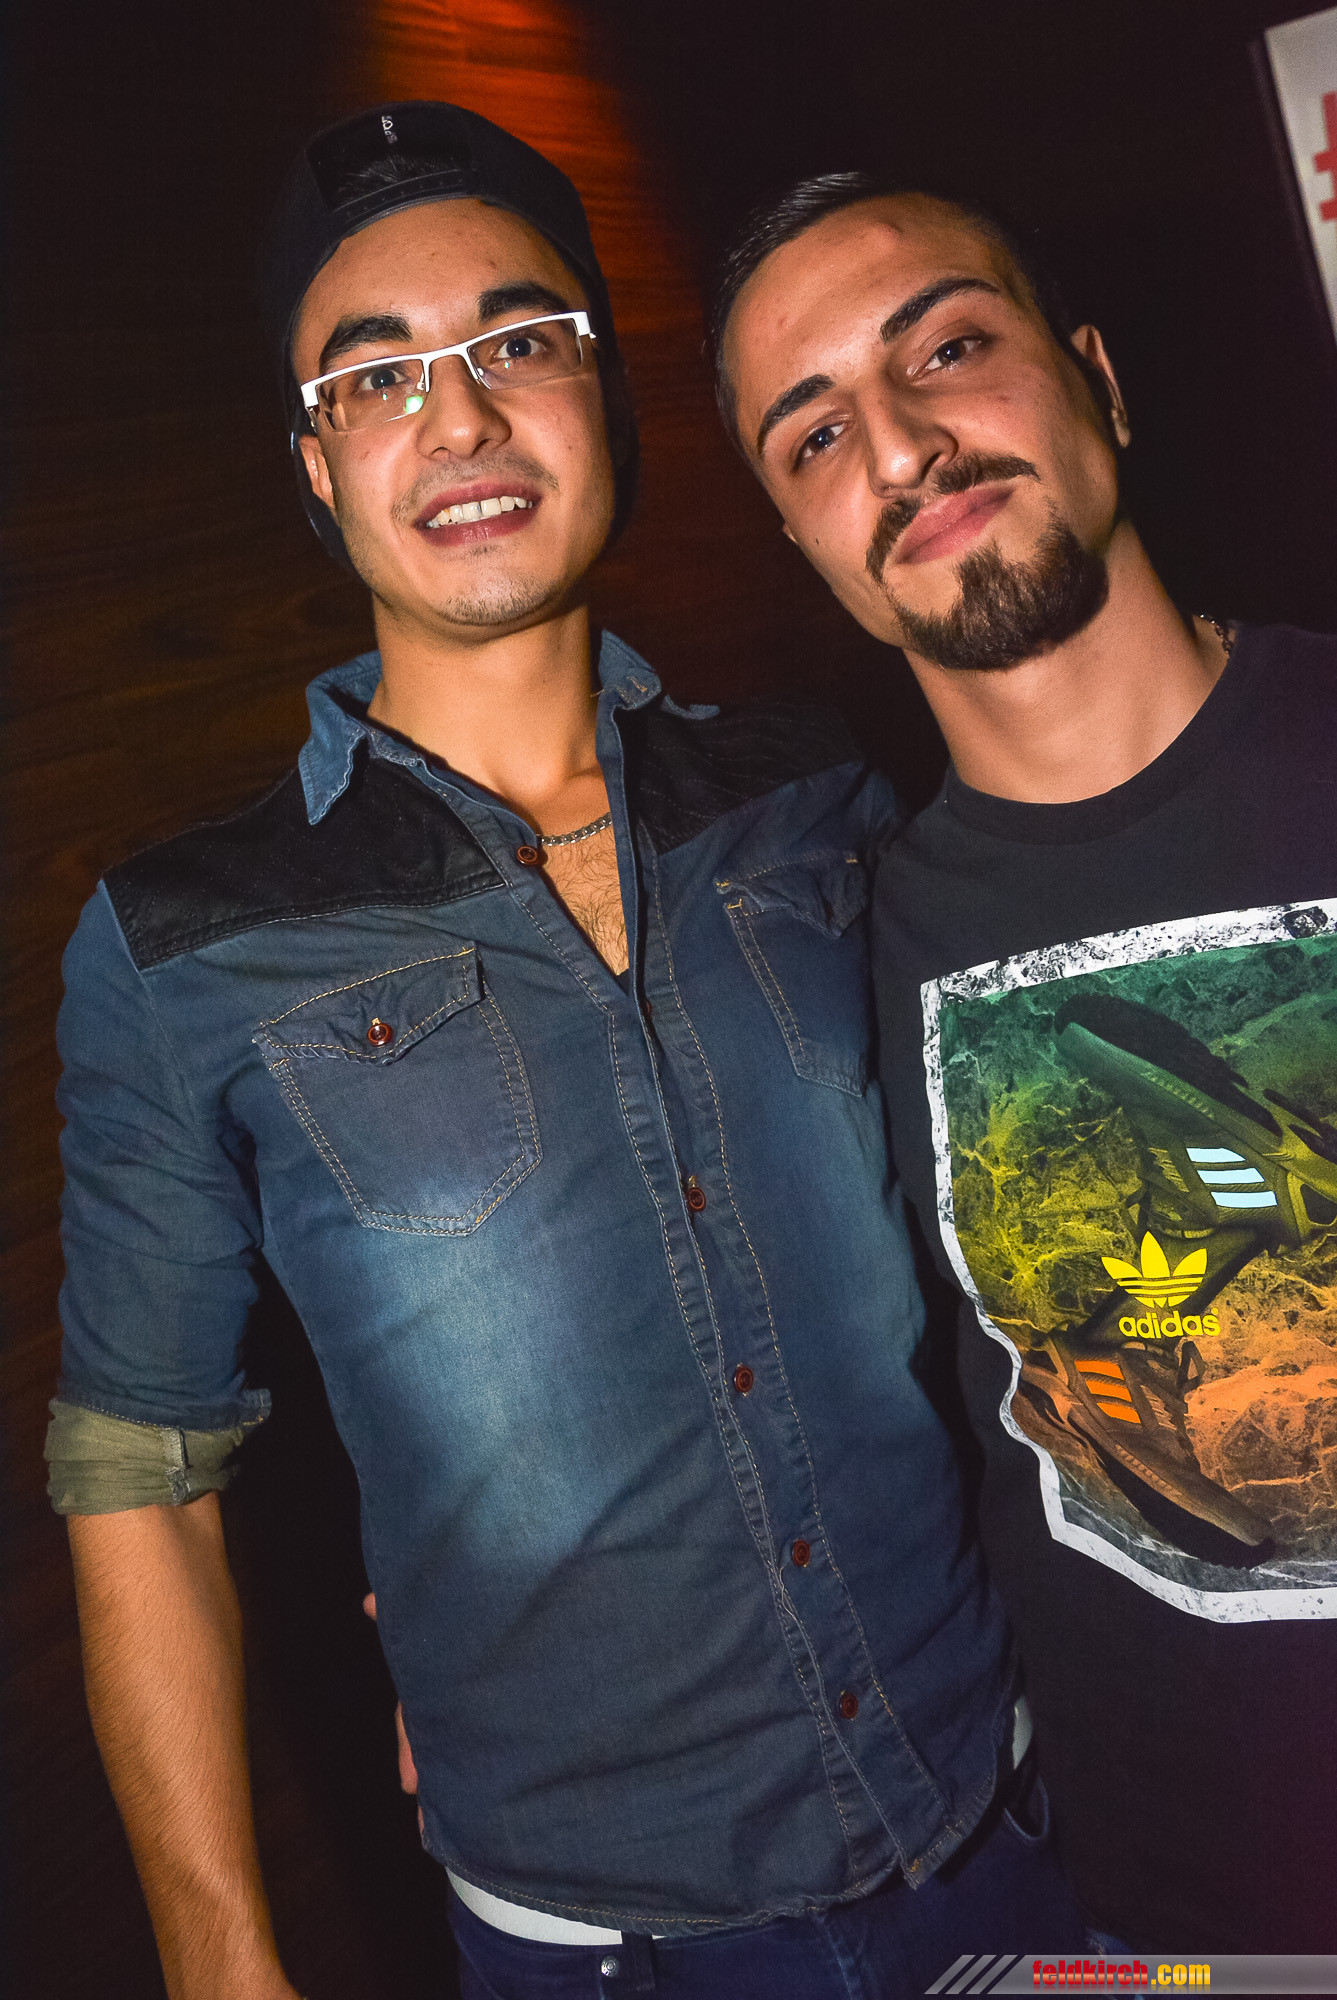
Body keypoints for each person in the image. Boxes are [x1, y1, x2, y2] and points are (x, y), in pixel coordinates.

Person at [45, 109, 1083, 2000]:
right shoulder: (179, 944)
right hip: (601, 1949)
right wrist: (222, 1963)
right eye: (376, 376)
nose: (458, 418)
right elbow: (142, 1475)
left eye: (518, 342)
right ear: (315, 468)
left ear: (603, 398)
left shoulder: (815, 793)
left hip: (1018, 1837)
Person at [712, 170, 1337, 1953]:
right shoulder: (831, 967)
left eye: (946, 351)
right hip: (1189, 1931)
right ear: (804, 544)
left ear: (1097, 381)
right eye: (814, 435)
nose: (902, 449)